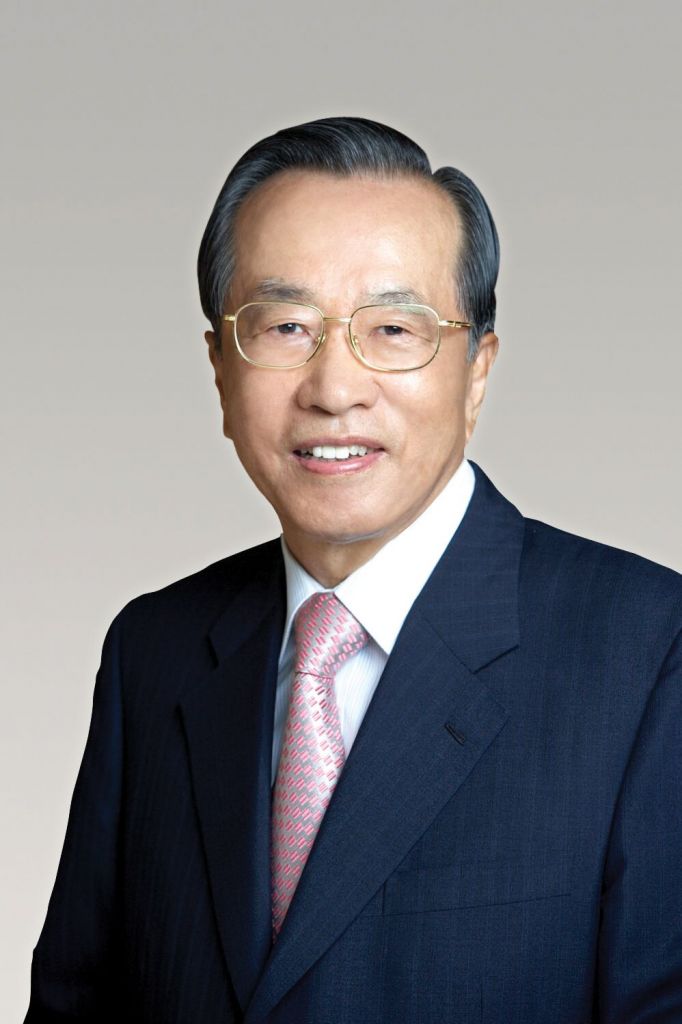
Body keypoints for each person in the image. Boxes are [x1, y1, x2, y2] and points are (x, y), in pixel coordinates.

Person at [25, 117, 682, 1024]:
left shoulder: (649, 652)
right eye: (285, 326)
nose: (334, 388)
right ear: (219, 369)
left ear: (477, 370)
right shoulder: (156, 650)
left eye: (394, 328)